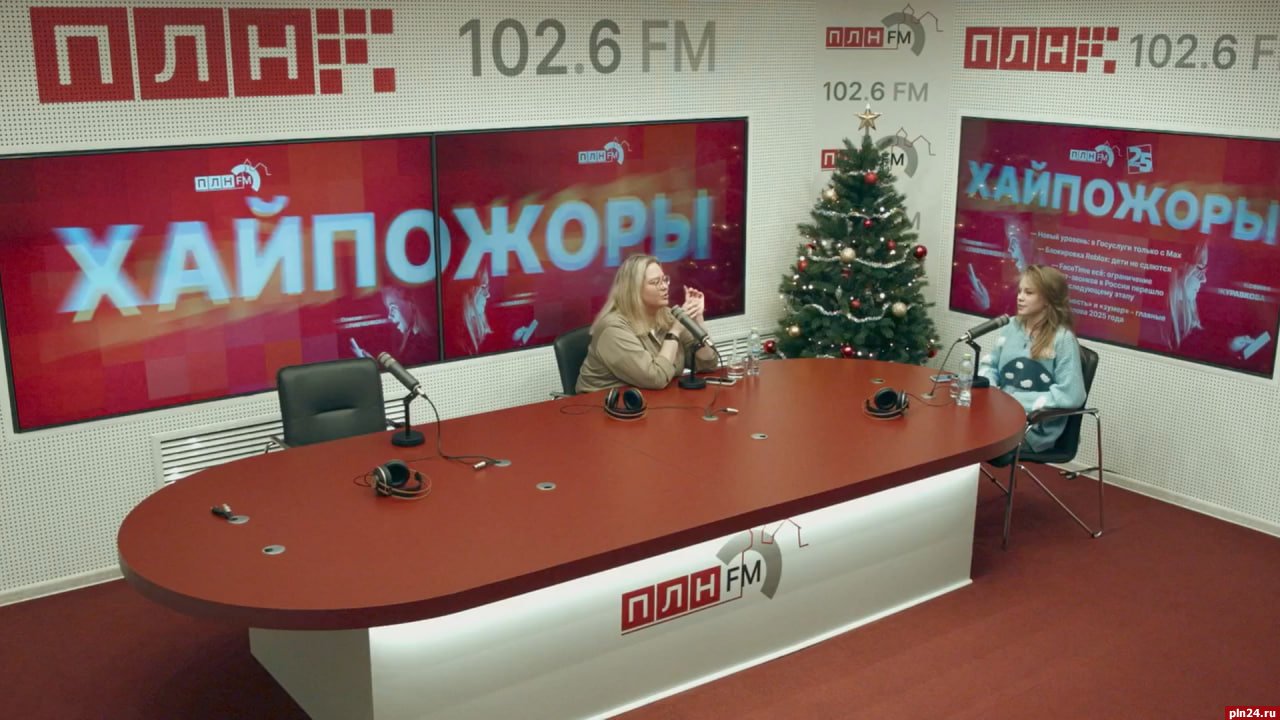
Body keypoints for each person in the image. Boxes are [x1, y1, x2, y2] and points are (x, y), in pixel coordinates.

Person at [978, 265, 1086, 453]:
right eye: (1020, 291)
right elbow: (990, 365)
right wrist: (993, 391)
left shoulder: (1062, 339)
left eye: (1028, 293)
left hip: (1032, 428)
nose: (1020, 297)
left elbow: (1071, 395)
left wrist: (1013, 401)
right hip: (999, 415)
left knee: (967, 438)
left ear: (1047, 299)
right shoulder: (1011, 326)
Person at [576, 254, 718, 393]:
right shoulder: (613, 329)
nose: (664, 286)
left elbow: (707, 364)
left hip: (653, 400)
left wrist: (697, 319)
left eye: (665, 280)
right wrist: (674, 332)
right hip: (602, 404)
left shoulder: (668, 316)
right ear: (633, 289)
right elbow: (656, 378)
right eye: (655, 282)